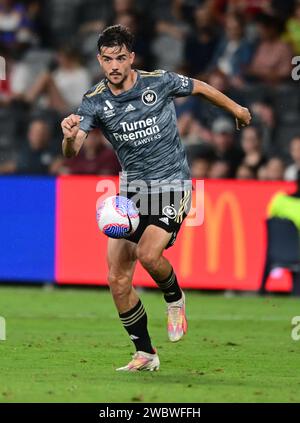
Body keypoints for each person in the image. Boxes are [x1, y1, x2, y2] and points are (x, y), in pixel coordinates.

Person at [60, 25, 251, 372]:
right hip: (132, 193)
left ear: (131, 58)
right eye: (107, 59)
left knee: (149, 254)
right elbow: (73, 151)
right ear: (99, 61)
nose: (114, 65)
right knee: (117, 279)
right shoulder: (95, 99)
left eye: (120, 58)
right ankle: (145, 353)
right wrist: (70, 136)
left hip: (173, 185)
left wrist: (236, 108)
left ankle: (174, 298)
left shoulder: (158, 81)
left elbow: (200, 87)